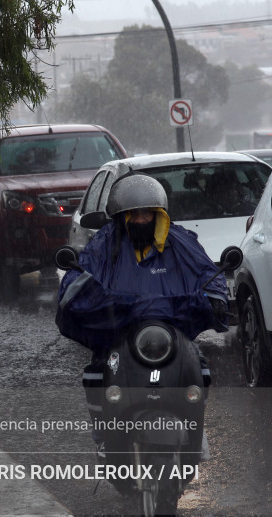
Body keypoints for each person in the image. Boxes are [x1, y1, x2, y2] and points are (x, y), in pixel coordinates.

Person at [55, 173, 229, 457]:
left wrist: (217, 297)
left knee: (198, 368)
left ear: (157, 214)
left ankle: (195, 428)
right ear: (122, 217)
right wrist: (94, 300)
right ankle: (104, 436)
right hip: (120, 335)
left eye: (146, 213)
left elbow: (207, 272)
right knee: (99, 371)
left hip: (171, 335)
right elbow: (77, 282)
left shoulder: (180, 242)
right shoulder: (102, 245)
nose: (139, 220)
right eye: (132, 214)